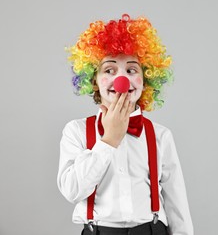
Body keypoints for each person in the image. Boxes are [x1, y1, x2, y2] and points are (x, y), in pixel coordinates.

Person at [57, 14, 193, 235]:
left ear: (146, 80)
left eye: (131, 70)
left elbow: (177, 205)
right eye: (109, 70)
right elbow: (72, 190)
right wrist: (108, 140)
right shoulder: (77, 131)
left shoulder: (160, 136)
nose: (122, 80)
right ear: (93, 80)